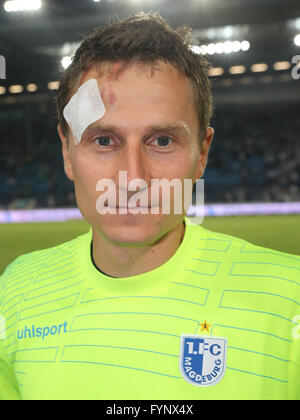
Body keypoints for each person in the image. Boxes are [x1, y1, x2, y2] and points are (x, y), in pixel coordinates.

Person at [0, 11, 299, 401]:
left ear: (202, 153)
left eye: (161, 141)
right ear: (67, 153)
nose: (133, 178)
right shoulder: (16, 291)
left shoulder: (289, 298)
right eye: (104, 141)